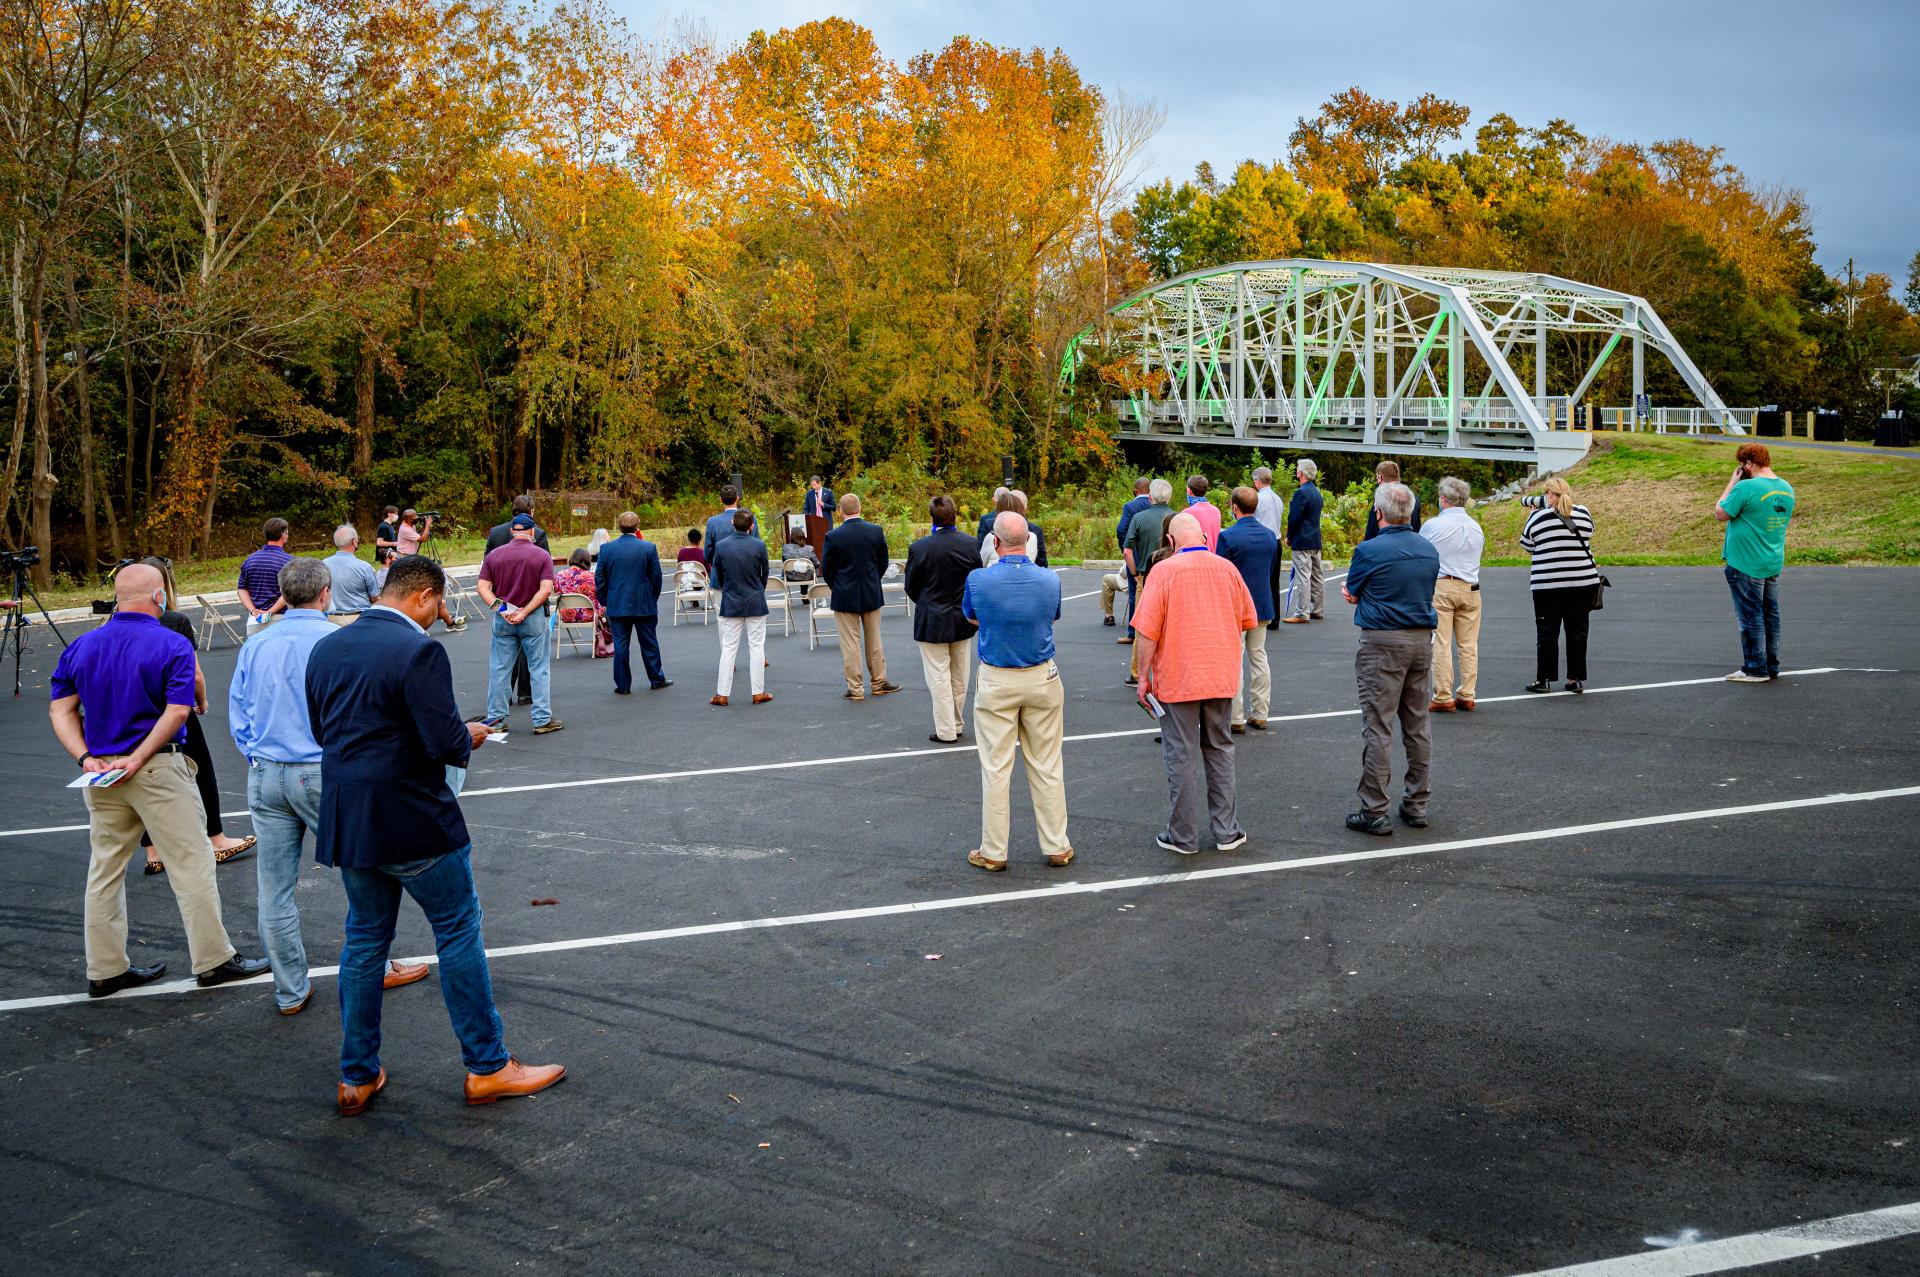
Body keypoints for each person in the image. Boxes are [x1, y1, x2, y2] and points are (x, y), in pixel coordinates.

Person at [305, 554, 565, 1114]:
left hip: (350, 817)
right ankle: (488, 1066)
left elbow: (321, 727)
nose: (441, 612)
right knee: (457, 930)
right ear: (422, 596)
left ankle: (356, 1074)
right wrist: (468, 733)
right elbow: (444, 741)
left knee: (365, 940)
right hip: (413, 816)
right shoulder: (419, 651)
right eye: (441, 601)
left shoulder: (327, 646)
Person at [47, 562, 270, 998]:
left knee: (105, 870)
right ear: (158, 598)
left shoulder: (82, 647)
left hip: (103, 774)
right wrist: (140, 756)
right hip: (157, 769)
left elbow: (61, 709)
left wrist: (86, 757)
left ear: (116, 597)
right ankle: (214, 959)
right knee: (192, 864)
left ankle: (105, 968)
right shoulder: (170, 643)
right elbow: (177, 710)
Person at [229, 557, 429, 1014]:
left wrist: (256, 753)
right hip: (323, 770)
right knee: (366, 872)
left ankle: (289, 990)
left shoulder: (255, 645)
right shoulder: (336, 641)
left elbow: (238, 713)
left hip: (266, 771)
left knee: (274, 889)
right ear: (325, 595)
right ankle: (373, 965)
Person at [1132, 510, 1256, 855]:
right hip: (1219, 674)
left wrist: (1143, 677)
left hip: (1178, 677)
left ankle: (1182, 836)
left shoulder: (1164, 571)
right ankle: (1227, 831)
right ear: (1203, 538)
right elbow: (1248, 619)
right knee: (1219, 749)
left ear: (1170, 542)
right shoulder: (1227, 569)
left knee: (1181, 755)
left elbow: (1146, 631)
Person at [961, 512, 1071, 871]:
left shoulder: (978, 579)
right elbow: (1052, 616)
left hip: (998, 677)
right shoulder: (1049, 579)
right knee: (1047, 764)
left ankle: (994, 850)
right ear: (1029, 541)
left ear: (995, 542)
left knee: (996, 767)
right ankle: (1057, 844)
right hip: (1041, 675)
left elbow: (972, 617)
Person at [138, 558, 257, 875]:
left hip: (140, 710)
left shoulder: (120, 623)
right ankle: (216, 838)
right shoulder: (174, 620)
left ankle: (153, 851)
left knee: (144, 779)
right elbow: (194, 673)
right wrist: (201, 701)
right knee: (201, 769)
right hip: (174, 708)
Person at [1343, 483, 1439, 836]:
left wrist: (1359, 596)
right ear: (1411, 512)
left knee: (1379, 725)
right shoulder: (1428, 550)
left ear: (1378, 513)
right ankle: (1416, 803)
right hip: (1420, 640)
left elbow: (1353, 591)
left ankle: (1374, 809)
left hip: (1382, 641)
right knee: (1417, 725)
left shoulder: (1369, 550)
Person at [1715, 443, 1795, 683]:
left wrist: (1732, 482)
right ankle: (1771, 665)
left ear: (1749, 464)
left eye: (1743, 466)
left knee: (1750, 617)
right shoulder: (1786, 488)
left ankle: (1754, 667)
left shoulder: (1746, 487)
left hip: (1745, 562)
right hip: (1771, 559)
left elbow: (1720, 512)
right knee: (1770, 615)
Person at [905, 495, 981, 743]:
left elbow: (911, 586)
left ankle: (947, 729)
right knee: (960, 677)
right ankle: (956, 723)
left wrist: (927, 603)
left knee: (938, 678)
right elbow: (975, 581)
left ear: (932, 518)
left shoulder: (919, 548)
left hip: (932, 619)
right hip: (961, 617)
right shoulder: (971, 544)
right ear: (955, 515)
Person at [478, 514, 562, 733]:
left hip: (504, 618)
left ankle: (496, 719)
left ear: (511, 531)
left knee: (500, 668)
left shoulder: (494, 556)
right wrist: (524, 611)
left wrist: (503, 610)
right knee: (539, 667)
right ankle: (542, 719)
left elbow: (482, 588)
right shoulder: (541, 556)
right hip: (532, 617)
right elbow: (545, 589)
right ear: (532, 531)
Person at [1519, 476, 1599, 694]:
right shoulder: (1583, 513)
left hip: (1547, 584)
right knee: (1577, 631)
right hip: (1582, 582)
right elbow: (1590, 533)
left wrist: (1532, 513)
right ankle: (1575, 679)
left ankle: (1544, 679)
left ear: (1549, 495)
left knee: (1547, 632)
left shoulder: (1537, 517)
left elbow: (1527, 545)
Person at [822, 493, 900, 700]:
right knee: (874, 641)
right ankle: (879, 682)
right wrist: (873, 579)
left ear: (840, 511)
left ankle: (855, 688)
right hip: (870, 590)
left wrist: (837, 586)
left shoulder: (833, 536)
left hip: (844, 593)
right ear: (860, 508)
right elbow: (883, 561)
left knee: (850, 644)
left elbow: (827, 569)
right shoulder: (875, 531)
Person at [1217, 486, 1278, 733]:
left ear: (1234, 507)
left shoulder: (1228, 537)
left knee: (1235, 660)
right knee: (1259, 657)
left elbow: (1220, 573)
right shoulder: (1269, 536)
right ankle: (1261, 712)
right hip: (1262, 604)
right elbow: (1271, 569)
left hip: (1236, 608)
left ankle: (1236, 716)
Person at [1422, 477, 1485, 713]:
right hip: (1470, 586)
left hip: (1443, 585)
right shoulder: (1475, 527)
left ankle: (1443, 695)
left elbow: (1421, 553)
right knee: (1468, 645)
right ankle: (1467, 693)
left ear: (1443, 499)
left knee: (1441, 642)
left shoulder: (1433, 525)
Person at [596, 511, 668, 694]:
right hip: (643, 603)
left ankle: (623, 684)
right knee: (649, 643)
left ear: (619, 527)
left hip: (617, 603)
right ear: (638, 527)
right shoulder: (648, 548)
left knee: (621, 645)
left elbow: (600, 578)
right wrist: (653, 597)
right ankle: (656, 678)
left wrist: (605, 600)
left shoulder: (606, 549)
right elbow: (656, 578)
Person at [485, 496, 549, 697]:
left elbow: (485, 574)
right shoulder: (537, 533)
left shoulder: (495, 533)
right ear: (531, 511)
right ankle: (527, 692)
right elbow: (545, 576)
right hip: (531, 602)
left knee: (501, 662)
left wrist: (501, 608)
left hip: (503, 600)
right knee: (535, 658)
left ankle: (499, 709)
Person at [709, 510, 772, 706]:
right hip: (754, 599)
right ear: (752, 526)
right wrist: (758, 589)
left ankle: (722, 693)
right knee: (756, 646)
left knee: (728, 648)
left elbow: (717, 575)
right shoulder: (759, 545)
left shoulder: (721, 547)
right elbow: (765, 573)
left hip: (731, 599)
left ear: (732, 524)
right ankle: (757, 691)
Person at [1122, 479, 1177, 686]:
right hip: (1172, 578)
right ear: (1170, 497)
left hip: (1147, 576)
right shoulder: (1177, 518)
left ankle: (1137, 672)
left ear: (1150, 497)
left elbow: (1127, 551)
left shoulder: (1138, 518)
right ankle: (1170, 670)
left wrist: (1135, 573)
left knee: (1142, 627)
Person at [1283, 459, 1325, 623]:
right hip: (1315, 538)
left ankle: (1302, 612)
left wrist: (1289, 536)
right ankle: (1317, 609)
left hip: (1302, 539)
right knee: (1316, 576)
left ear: (1300, 473)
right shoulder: (1316, 492)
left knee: (1303, 576)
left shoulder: (1301, 493)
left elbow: (1294, 518)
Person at [236, 517, 294, 630]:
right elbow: (289, 593)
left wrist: (253, 610)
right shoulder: (289, 562)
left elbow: (241, 589)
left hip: (254, 622)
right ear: (283, 536)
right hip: (280, 621)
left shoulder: (250, 560)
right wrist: (268, 612)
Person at [1112, 477, 1152, 640]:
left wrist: (1126, 547)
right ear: (1149, 490)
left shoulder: (1130, 506)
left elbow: (1121, 530)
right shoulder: (1155, 505)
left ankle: (1133, 632)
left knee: (1135, 592)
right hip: (1155, 554)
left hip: (1135, 554)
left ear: (1135, 491)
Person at [554, 547, 611, 658]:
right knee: (608, 605)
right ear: (586, 561)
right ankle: (606, 641)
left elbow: (555, 591)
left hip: (566, 615)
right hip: (588, 615)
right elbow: (600, 594)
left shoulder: (559, 575)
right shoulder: (590, 576)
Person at [1251, 467, 1287, 630]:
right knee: (1274, 580)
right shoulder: (1277, 499)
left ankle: (1261, 615)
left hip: (1262, 540)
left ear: (1258, 481)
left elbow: (1252, 517)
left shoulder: (1258, 499)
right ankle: (1275, 618)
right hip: (1276, 539)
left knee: (1260, 578)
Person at [979, 490, 1048, 567]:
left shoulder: (990, 536)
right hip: (1026, 575)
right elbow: (1042, 564)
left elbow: (981, 562)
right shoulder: (1033, 536)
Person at [324, 525, 379, 615]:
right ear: (355, 542)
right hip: (359, 619)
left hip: (331, 619)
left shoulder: (323, 564)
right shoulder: (364, 567)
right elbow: (375, 597)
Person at [1363, 460, 1423, 539]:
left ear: (1379, 477)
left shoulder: (1380, 500)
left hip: (1384, 546)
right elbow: (1417, 528)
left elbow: (1371, 533)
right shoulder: (1413, 498)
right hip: (1410, 545)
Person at [704, 485, 756, 566]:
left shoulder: (712, 522)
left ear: (720, 499)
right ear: (737, 498)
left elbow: (708, 552)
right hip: (745, 567)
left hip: (721, 569)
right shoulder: (750, 518)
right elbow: (755, 544)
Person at [803, 475, 836, 559]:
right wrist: (807, 517)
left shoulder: (828, 492)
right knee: (816, 542)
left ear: (819, 483)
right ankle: (817, 558)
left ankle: (829, 558)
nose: (814, 487)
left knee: (827, 541)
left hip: (826, 522)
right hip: (814, 522)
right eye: (812, 485)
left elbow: (834, 507)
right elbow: (806, 508)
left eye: (815, 485)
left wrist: (823, 504)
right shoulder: (809, 494)